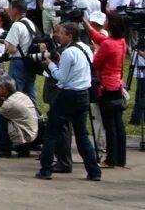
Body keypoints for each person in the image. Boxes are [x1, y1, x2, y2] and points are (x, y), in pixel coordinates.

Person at [35, 22, 102, 181]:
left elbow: (61, 77)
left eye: (62, 33)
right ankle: (94, 171)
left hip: (68, 94)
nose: (59, 36)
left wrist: (51, 65)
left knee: (51, 133)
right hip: (83, 94)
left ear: (70, 36)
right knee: (82, 135)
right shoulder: (85, 48)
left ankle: (45, 170)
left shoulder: (68, 52)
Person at [84, 11, 127, 168]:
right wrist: (85, 22)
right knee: (118, 123)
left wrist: (95, 50)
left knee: (109, 124)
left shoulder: (108, 44)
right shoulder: (121, 41)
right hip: (117, 85)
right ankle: (120, 157)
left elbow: (96, 63)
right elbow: (99, 37)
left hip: (106, 86)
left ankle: (111, 158)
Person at [0, 76, 39, 158]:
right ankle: (24, 150)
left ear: (3, 88)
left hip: (23, 139)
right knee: (3, 118)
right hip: (33, 135)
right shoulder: (21, 95)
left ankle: (3, 150)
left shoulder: (10, 104)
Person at [4, 0, 39, 108]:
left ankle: (16, 118)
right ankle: (36, 118)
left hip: (18, 62)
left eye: (10, 9)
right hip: (30, 62)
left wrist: (6, 44)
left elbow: (12, 49)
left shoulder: (16, 25)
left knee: (14, 93)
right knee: (30, 94)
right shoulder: (30, 23)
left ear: (15, 10)